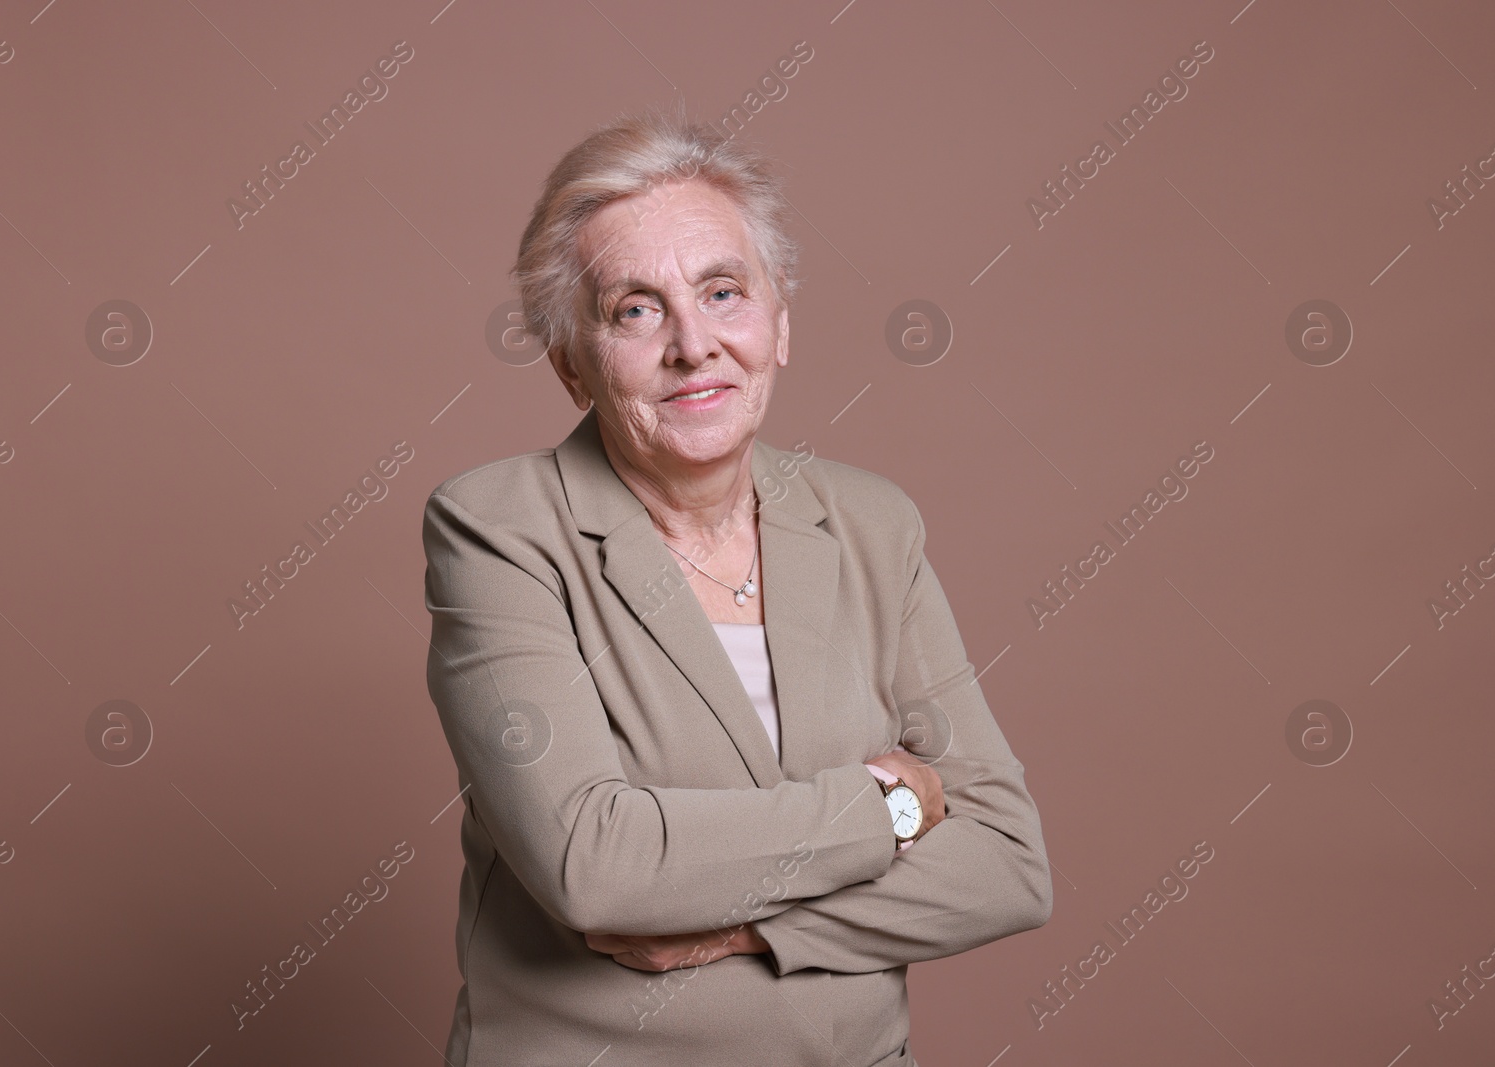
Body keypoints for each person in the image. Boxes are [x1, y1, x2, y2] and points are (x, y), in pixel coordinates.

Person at [421, 109, 1051, 1067]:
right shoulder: (499, 529)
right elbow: (599, 865)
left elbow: (1006, 863)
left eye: (723, 292)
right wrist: (888, 805)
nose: (693, 344)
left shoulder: (873, 524)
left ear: (781, 324)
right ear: (570, 363)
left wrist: (749, 930)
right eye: (635, 308)